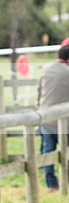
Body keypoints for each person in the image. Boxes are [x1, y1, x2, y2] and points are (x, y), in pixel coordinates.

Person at [36, 43, 69, 191]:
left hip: (46, 118)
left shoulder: (45, 69)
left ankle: (52, 184)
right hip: (65, 120)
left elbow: (39, 93)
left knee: (47, 152)